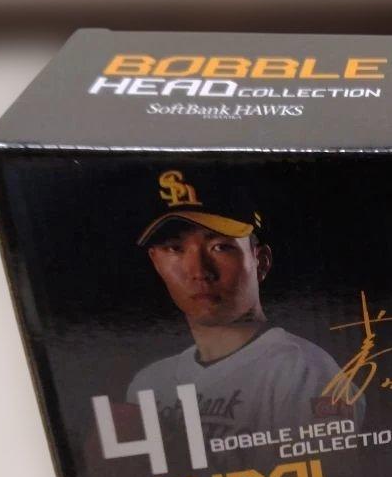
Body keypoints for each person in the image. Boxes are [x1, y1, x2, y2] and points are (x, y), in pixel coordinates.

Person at [126, 169, 358, 450]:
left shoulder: (302, 372)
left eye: (220, 246)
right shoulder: (149, 383)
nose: (199, 271)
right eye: (175, 249)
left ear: (260, 261)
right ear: (155, 261)